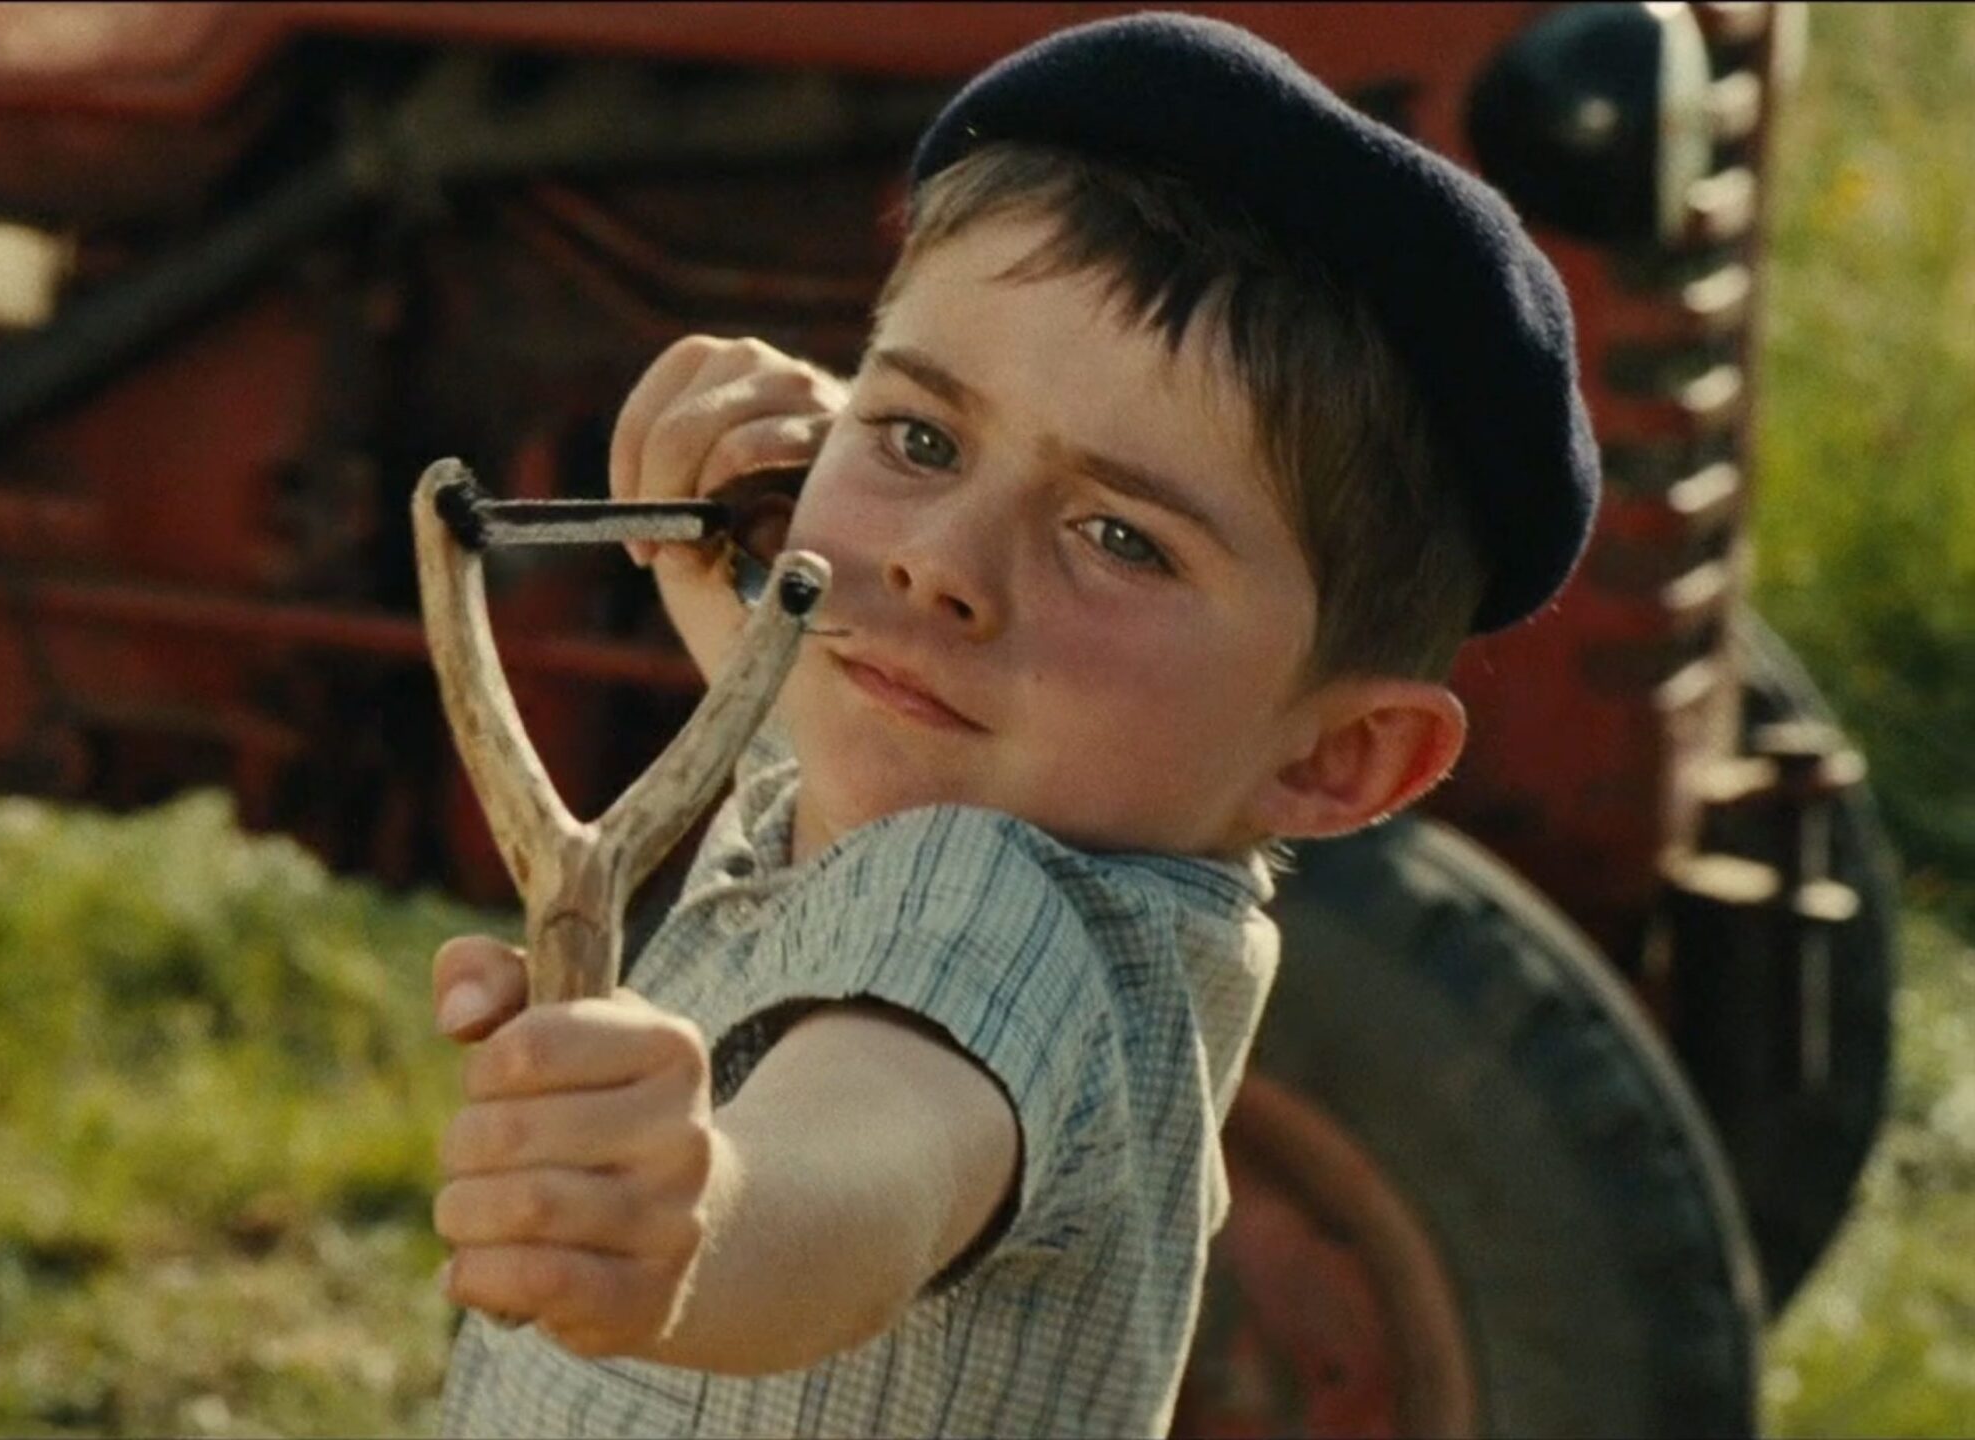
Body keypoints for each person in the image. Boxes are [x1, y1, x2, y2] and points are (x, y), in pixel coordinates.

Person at [422, 12, 1598, 1435]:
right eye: (921, 438)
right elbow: (824, 713)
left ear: (1336, 756)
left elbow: (876, 1151)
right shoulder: (955, 775)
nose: (938, 567)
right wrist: (744, 551)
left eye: (1120, 538)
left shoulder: (1010, 915)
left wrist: (703, 1215)